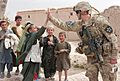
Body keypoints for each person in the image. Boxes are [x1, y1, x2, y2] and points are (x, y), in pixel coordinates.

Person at [47, 1, 118, 81]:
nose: (77, 15)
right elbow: (64, 25)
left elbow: (113, 39)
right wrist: (51, 18)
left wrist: (114, 57)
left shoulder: (99, 21)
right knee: (92, 77)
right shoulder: (79, 25)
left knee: (108, 78)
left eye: (77, 12)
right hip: (91, 57)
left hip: (106, 57)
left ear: (82, 12)